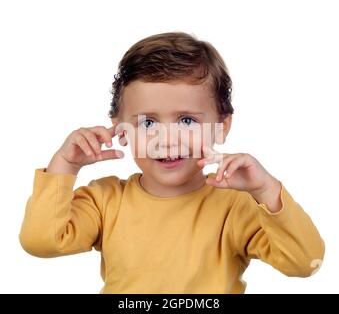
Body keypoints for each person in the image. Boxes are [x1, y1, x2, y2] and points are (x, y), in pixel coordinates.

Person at [19, 32, 325, 293]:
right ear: (120, 129)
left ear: (222, 126)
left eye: (187, 120)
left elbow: (305, 262)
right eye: (148, 122)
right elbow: (41, 241)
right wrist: (65, 167)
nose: (166, 139)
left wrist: (266, 189)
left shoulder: (236, 206)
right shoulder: (104, 200)